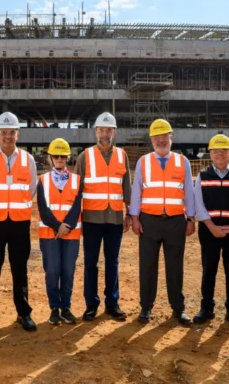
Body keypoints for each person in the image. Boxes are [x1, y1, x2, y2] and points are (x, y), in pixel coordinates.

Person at [0, 112, 38, 333]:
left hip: (19, 223)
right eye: (4, 132)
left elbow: (31, 189)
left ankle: (23, 313)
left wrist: (15, 206)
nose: (8, 136)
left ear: (17, 134)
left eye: (12, 132)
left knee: (19, 269)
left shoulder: (27, 159)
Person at [129, 119, 195, 325]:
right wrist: (135, 218)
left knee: (175, 267)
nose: (161, 140)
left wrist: (191, 218)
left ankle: (178, 308)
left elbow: (189, 193)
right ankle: (146, 307)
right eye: (157, 137)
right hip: (149, 222)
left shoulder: (182, 162)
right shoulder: (143, 162)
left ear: (171, 138)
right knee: (147, 266)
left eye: (164, 136)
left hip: (175, 221)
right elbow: (137, 192)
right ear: (151, 140)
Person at [76, 112, 132, 321]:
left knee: (113, 262)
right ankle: (91, 304)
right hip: (91, 219)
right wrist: (75, 219)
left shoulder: (122, 155)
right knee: (90, 263)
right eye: (101, 129)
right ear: (95, 132)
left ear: (114, 132)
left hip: (115, 219)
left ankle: (112, 303)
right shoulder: (85, 156)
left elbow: (126, 186)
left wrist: (129, 213)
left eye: (109, 130)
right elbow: (77, 190)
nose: (105, 134)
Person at [193, 134, 229, 329]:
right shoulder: (203, 175)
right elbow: (198, 205)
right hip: (209, 230)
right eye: (216, 151)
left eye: (223, 151)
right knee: (209, 269)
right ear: (210, 153)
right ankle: (206, 308)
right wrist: (212, 227)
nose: (220, 154)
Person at [37, 138, 82, 325]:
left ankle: (66, 308)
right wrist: (58, 226)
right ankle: (54, 308)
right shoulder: (43, 181)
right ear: (50, 158)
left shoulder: (78, 180)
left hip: (71, 234)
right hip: (49, 234)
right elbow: (43, 209)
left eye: (63, 156)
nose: (60, 159)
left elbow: (78, 206)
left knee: (68, 271)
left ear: (68, 157)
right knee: (53, 271)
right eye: (56, 156)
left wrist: (67, 226)